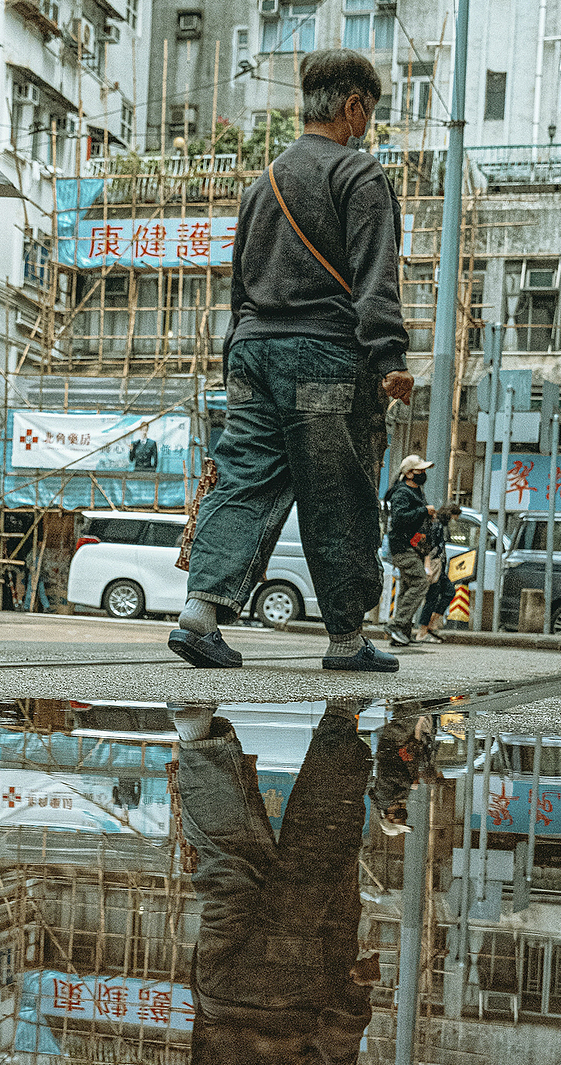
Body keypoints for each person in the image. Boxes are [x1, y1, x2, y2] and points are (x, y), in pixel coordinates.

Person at [167, 48, 413, 676]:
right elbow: (375, 276)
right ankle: (345, 640)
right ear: (353, 108)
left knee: (244, 477)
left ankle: (200, 612)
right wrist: (389, 356)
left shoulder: (261, 184)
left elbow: (239, 282)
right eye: (370, 112)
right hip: (324, 357)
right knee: (338, 491)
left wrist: (236, 356)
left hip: (251, 353)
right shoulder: (359, 175)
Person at [172, 700, 376, 1065]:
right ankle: (199, 742)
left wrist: (352, 1002)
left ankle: (340, 721)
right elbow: (200, 1052)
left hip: (288, 991)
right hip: (218, 987)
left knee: (319, 853)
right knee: (229, 867)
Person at [384, 454, 434, 648]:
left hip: (414, 547)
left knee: (407, 587)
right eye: (419, 470)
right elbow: (399, 518)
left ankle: (402, 633)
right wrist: (424, 511)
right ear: (408, 473)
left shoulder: (416, 491)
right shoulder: (402, 493)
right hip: (402, 547)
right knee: (421, 583)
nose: (423, 474)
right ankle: (397, 625)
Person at [416, 499, 461, 642]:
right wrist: (428, 565)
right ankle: (423, 630)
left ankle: (431, 624)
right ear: (451, 514)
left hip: (439, 567)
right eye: (455, 517)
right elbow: (431, 547)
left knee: (448, 592)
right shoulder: (437, 525)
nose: (455, 521)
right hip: (435, 567)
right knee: (432, 598)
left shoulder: (439, 524)